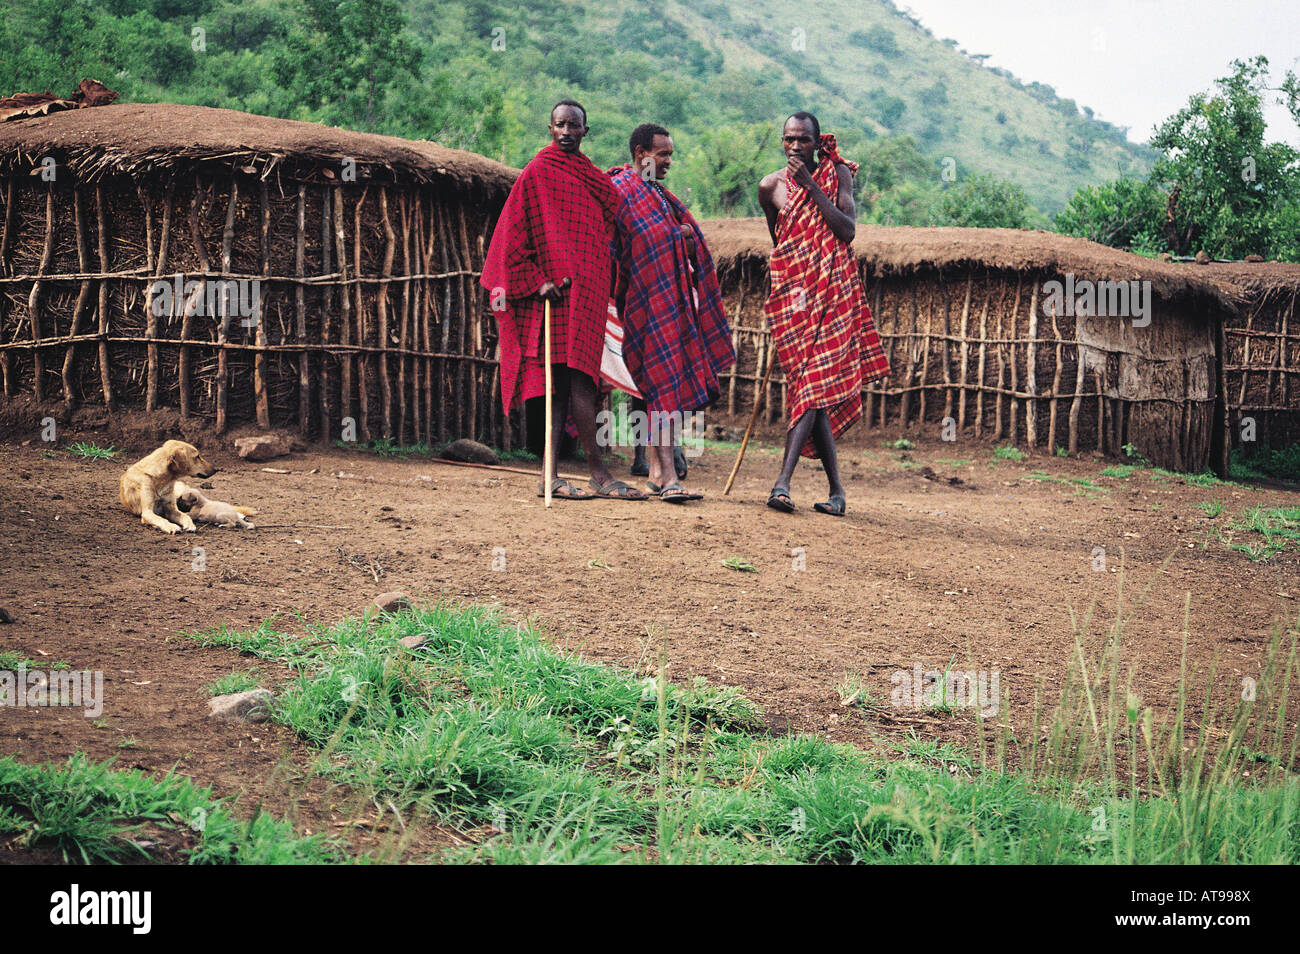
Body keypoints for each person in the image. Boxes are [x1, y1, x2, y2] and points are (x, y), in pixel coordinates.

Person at [482, 100, 648, 500]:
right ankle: (571, 475)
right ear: (550, 128)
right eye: (560, 125)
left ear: (585, 130)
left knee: (582, 382)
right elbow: (512, 236)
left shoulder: (590, 175)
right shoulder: (538, 172)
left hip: (587, 294)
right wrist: (537, 281)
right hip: (555, 296)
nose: (567, 132)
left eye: (575, 126)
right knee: (561, 386)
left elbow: (609, 216)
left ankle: (572, 474)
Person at [757, 111, 889, 516]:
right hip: (796, 299)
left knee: (812, 388)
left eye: (804, 140)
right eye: (789, 139)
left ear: (817, 143)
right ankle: (837, 492)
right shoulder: (769, 187)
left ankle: (782, 483)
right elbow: (781, 242)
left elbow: (846, 230)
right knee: (811, 391)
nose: (796, 146)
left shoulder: (837, 176)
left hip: (834, 295)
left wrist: (811, 186)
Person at [609, 123, 734, 502]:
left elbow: (689, 241)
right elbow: (621, 244)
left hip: (669, 305)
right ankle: (666, 477)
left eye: (670, 155)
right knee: (660, 384)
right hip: (640, 305)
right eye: (662, 154)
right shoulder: (620, 191)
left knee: (661, 386)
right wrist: (674, 237)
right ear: (639, 153)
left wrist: (685, 238)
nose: (668, 162)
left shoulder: (659, 196)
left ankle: (660, 472)